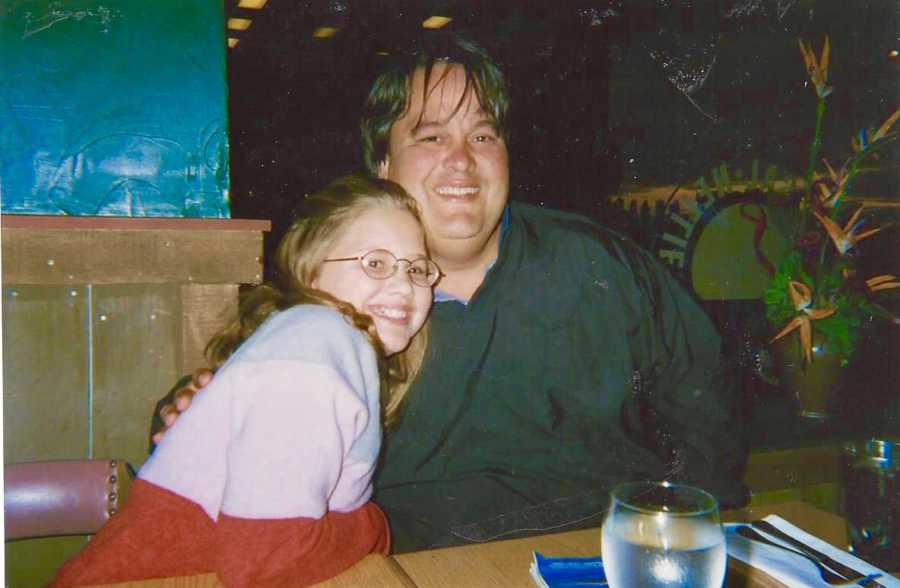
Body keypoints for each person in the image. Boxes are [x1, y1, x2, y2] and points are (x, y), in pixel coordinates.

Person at [153, 33, 748, 553]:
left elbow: (705, 407)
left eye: (483, 136)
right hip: (418, 566)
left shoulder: (601, 265)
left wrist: (695, 533)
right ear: (382, 165)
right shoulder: (336, 294)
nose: (462, 162)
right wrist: (195, 411)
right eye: (432, 137)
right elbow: (242, 446)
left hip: (602, 553)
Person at [53, 175, 436, 587]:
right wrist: (373, 527)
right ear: (309, 273)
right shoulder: (316, 346)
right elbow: (264, 562)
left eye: (417, 268)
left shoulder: (328, 344)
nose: (404, 284)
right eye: (375, 263)